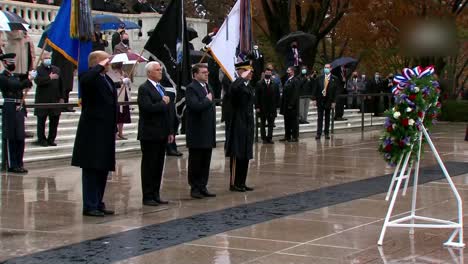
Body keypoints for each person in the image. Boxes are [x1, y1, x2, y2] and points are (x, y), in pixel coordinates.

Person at [71, 51, 117, 217]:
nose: (109, 63)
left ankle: (98, 201)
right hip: (92, 131)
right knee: (91, 169)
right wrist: (99, 66)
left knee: (103, 168)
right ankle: (89, 205)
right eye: (106, 60)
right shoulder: (88, 76)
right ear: (97, 62)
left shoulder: (107, 79)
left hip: (105, 130)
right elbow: (87, 80)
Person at [137, 61, 174, 206]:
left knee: (159, 165)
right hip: (150, 133)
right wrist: (163, 103)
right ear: (149, 73)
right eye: (157, 70)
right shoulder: (144, 88)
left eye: (161, 69)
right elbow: (147, 108)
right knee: (149, 165)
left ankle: (156, 193)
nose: (160, 72)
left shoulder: (161, 88)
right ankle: (147, 195)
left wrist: (170, 130)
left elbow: (167, 113)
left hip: (162, 132)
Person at [185, 63, 217, 199]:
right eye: (203, 72)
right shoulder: (191, 88)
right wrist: (207, 100)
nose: (206, 74)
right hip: (197, 131)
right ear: (195, 74)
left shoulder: (208, 86)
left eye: (207, 72)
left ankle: (203, 185)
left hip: (208, 130)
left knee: (206, 160)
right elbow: (195, 106)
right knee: (196, 161)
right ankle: (195, 187)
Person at [0, 53, 33, 174]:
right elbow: (15, 86)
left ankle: (19, 163)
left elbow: (25, 82)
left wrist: (29, 77)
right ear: (4, 63)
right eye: (10, 62)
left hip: (19, 106)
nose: (12, 64)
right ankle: (12, 164)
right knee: (11, 137)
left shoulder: (14, 76)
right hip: (10, 106)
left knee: (20, 137)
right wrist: (26, 81)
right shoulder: (3, 77)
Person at [225, 61, 255, 192]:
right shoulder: (235, 84)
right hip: (238, 123)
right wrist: (241, 78)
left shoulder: (248, 86)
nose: (251, 73)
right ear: (240, 71)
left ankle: (242, 182)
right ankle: (234, 183)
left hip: (247, 124)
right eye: (248, 71)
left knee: (245, 154)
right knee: (237, 154)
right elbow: (233, 90)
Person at [34, 51, 63, 147]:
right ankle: (41, 139)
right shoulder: (38, 70)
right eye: (46, 58)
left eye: (49, 57)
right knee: (41, 121)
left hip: (55, 99)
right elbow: (37, 81)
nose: (48, 59)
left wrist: (62, 97)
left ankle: (51, 139)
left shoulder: (56, 69)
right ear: (42, 59)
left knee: (54, 121)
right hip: (42, 100)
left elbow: (61, 84)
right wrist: (49, 78)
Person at [312, 64, 338, 140]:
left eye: (327, 68)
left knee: (327, 117)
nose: (326, 69)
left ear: (331, 68)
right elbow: (315, 89)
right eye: (325, 67)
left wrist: (334, 101)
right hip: (320, 100)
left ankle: (326, 133)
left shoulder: (334, 78)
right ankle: (318, 133)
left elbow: (336, 91)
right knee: (319, 118)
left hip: (329, 100)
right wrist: (314, 99)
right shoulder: (319, 78)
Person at [107, 62, 131, 140]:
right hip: (117, 95)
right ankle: (115, 133)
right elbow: (111, 84)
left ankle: (121, 133)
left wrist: (127, 80)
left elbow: (128, 85)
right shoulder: (111, 72)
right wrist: (121, 81)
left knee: (123, 115)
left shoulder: (124, 72)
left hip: (125, 95)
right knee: (117, 114)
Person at [255, 68, 280, 144]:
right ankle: (264, 138)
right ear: (264, 73)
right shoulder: (259, 83)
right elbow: (256, 97)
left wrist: (277, 106)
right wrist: (257, 107)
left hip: (272, 108)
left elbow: (277, 96)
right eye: (266, 73)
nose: (268, 74)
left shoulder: (275, 84)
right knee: (262, 124)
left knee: (271, 124)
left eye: (269, 73)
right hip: (262, 108)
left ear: (271, 74)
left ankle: (270, 138)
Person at [280, 66, 300, 142]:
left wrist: (291, 104)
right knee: (287, 121)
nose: (287, 72)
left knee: (293, 122)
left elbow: (295, 93)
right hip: (286, 105)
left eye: (288, 70)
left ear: (292, 71)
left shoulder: (295, 80)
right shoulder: (287, 80)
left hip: (293, 106)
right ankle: (287, 136)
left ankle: (295, 136)